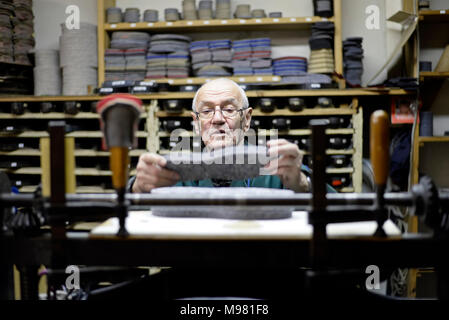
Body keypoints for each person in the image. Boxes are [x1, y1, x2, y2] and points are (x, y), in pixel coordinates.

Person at [128, 77, 321, 193]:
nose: (218, 119)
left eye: (229, 109)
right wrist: (138, 187)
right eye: (207, 111)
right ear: (196, 123)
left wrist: (303, 184)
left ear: (246, 120)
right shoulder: (175, 172)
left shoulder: (278, 166)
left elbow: (334, 208)